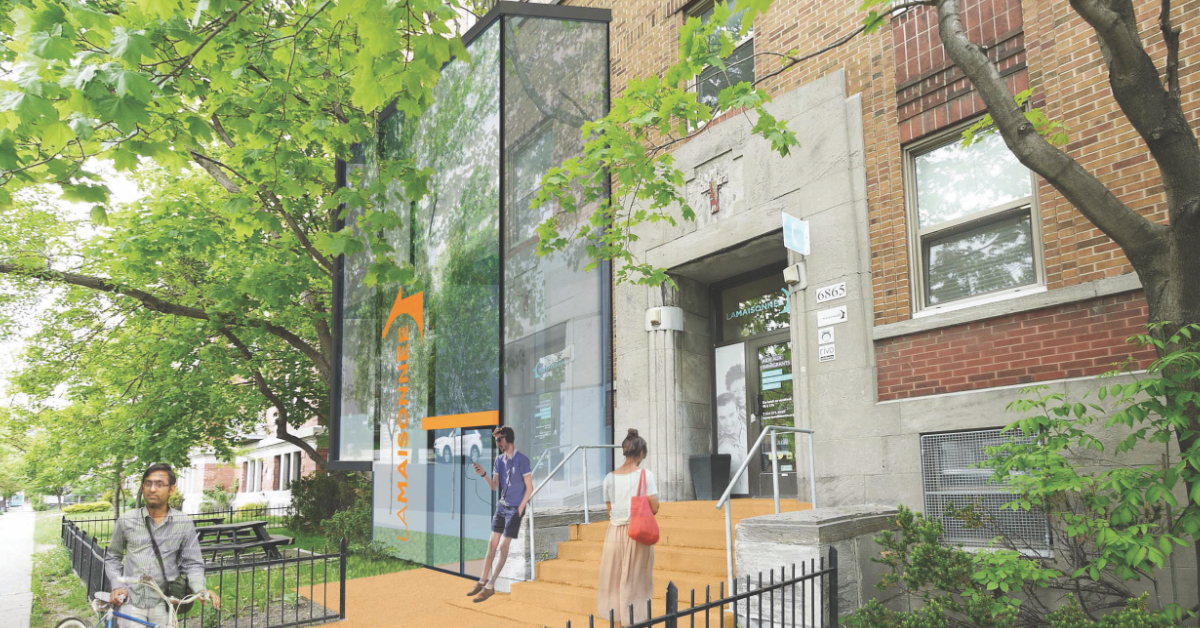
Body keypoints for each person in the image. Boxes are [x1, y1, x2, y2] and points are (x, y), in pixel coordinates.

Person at [104, 463, 220, 628]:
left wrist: (200, 589)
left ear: (171, 489)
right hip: (132, 601)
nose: (152, 489)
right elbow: (113, 558)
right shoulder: (126, 521)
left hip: (164, 603)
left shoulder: (183, 523)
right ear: (143, 487)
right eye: (148, 483)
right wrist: (117, 586)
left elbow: (192, 563)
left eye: (159, 484)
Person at [598, 428, 659, 625]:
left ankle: (618, 620)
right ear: (641, 454)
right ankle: (634, 621)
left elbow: (610, 510)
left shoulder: (609, 477)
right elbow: (654, 508)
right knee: (636, 582)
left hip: (613, 533)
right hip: (636, 533)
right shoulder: (645, 475)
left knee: (615, 580)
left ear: (624, 451)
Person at [468, 426, 532, 603]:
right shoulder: (499, 460)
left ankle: (490, 586)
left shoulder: (522, 460)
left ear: (508, 439)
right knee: (492, 544)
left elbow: (529, 487)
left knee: (503, 547)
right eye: (495, 440)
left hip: (515, 509)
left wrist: (520, 508)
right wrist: (483, 474)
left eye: (499, 439)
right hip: (502, 507)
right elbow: (495, 486)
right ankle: (482, 581)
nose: (497, 443)